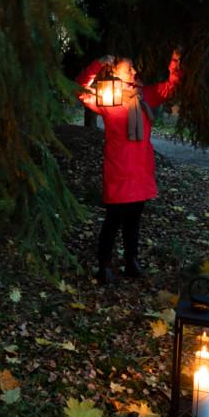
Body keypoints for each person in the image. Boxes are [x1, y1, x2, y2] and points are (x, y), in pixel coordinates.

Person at [76, 50, 182, 284]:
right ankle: (104, 265)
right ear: (114, 72)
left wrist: (175, 60)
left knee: (134, 218)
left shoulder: (143, 96)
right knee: (114, 219)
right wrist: (97, 64)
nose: (134, 72)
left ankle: (131, 261)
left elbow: (170, 87)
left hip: (141, 168)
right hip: (119, 168)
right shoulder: (106, 96)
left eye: (134, 68)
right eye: (128, 69)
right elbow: (79, 90)